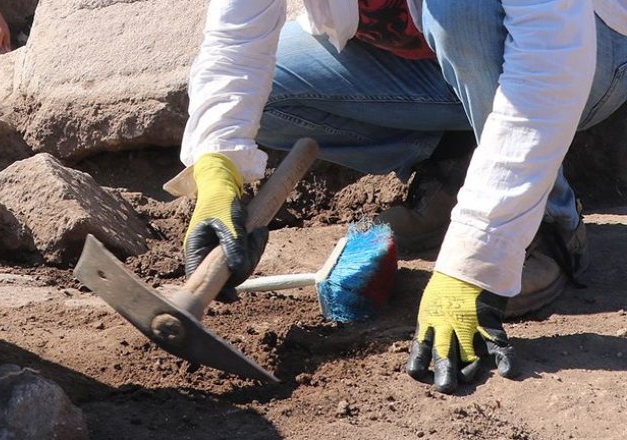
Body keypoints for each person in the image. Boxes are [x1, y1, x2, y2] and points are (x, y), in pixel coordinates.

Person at [172, 0, 626, 394]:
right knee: (270, 95)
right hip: (440, 57)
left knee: (460, 7)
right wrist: (217, 170)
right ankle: (459, 167)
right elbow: (236, 43)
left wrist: (480, 256)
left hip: (585, 52)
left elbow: (552, 58)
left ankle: (545, 226)